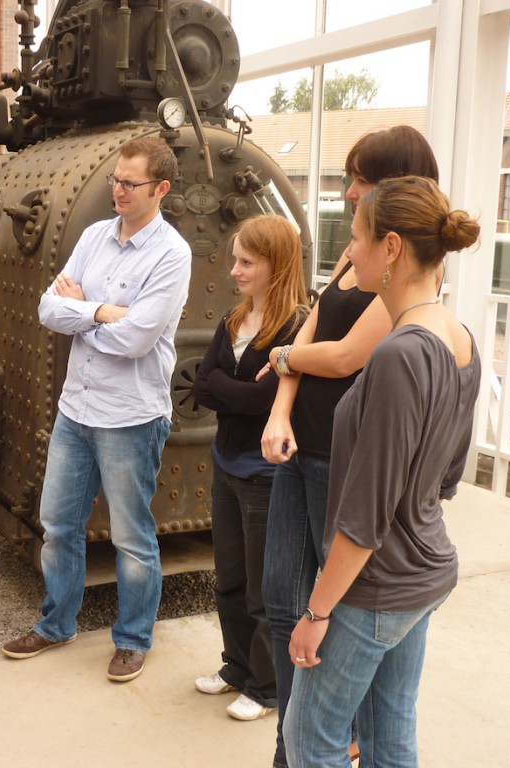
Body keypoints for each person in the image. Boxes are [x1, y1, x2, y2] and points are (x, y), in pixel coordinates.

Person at [258, 125, 440, 768]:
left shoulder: (408, 296)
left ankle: (308, 745)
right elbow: (314, 323)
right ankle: (296, 738)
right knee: (282, 600)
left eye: (356, 178)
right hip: (301, 447)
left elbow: (341, 356)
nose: (344, 191)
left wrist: (279, 353)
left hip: (341, 463)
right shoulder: (358, 253)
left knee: (329, 620)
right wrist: (280, 408)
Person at [284, 176, 481, 767]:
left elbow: (364, 516)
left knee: (310, 739)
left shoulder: (400, 353)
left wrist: (317, 613)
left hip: (377, 587)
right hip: (423, 571)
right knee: (389, 731)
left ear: (391, 248)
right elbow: (447, 475)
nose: (350, 250)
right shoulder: (458, 337)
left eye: (357, 238)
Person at [1, 137, 191, 682]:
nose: (119, 191)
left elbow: (135, 340)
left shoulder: (171, 254)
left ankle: (133, 640)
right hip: (76, 408)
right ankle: (56, 625)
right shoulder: (93, 236)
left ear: (162, 189)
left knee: (131, 537)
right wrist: (104, 311)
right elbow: (46, 309)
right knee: (58, 525)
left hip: (130, 415)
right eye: (115, 179)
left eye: (130, 183)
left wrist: (80, 311)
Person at [190, 216, 307, 721]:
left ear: (274, 266)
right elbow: (200, 385)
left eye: (246, 262)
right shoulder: (233, 321)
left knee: (262, 588)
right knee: (228, 578)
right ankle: (236, 666)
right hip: (226, 465)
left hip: (265, 474)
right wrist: (236, 395)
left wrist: (227, 391)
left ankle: (267, 688)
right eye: (235, 260)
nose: (234, 271)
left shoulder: (297, 327)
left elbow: (264, 401)